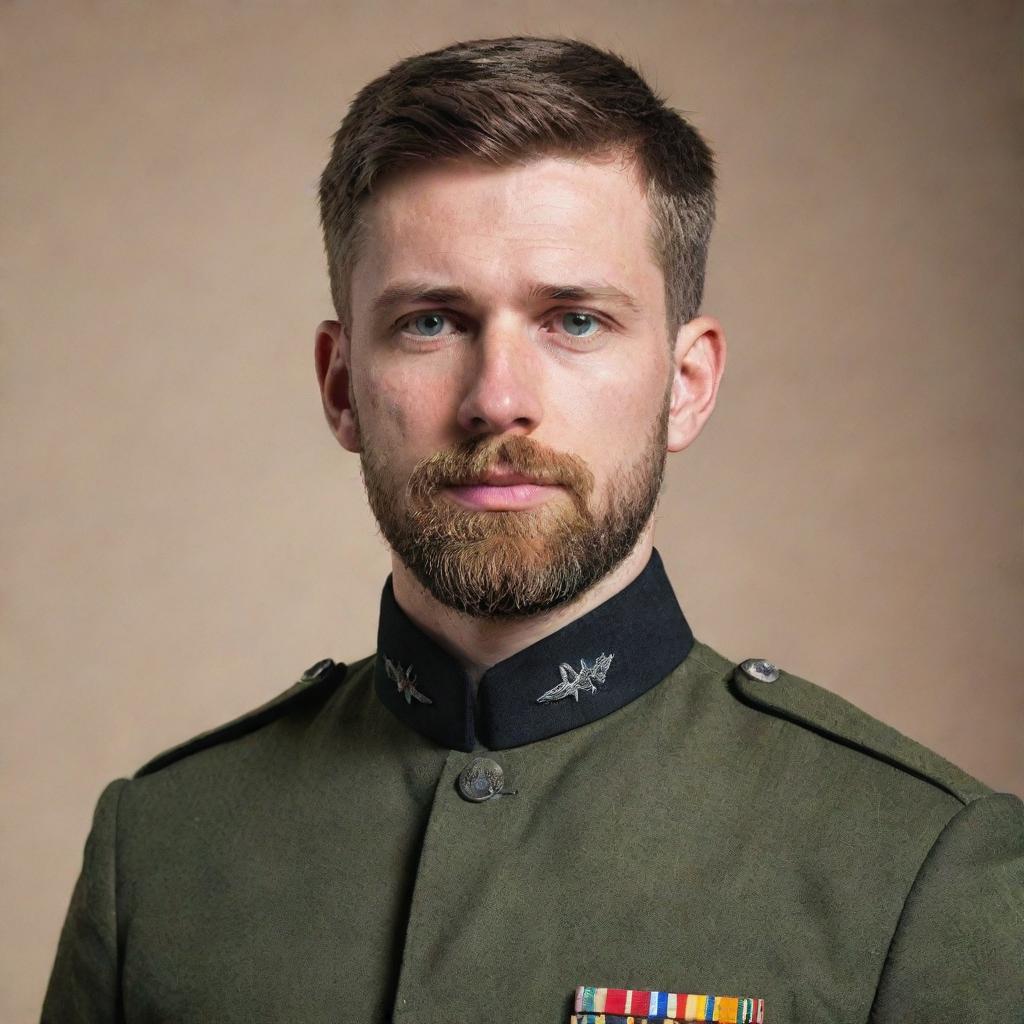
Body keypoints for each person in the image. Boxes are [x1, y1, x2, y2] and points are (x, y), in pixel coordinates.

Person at [42, 35, 1022, 1024]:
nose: (497, 400)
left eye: (575, 321)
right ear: (340, 388)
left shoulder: (918, 867)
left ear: (685, 387)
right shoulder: (159, 853)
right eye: (431, 321)